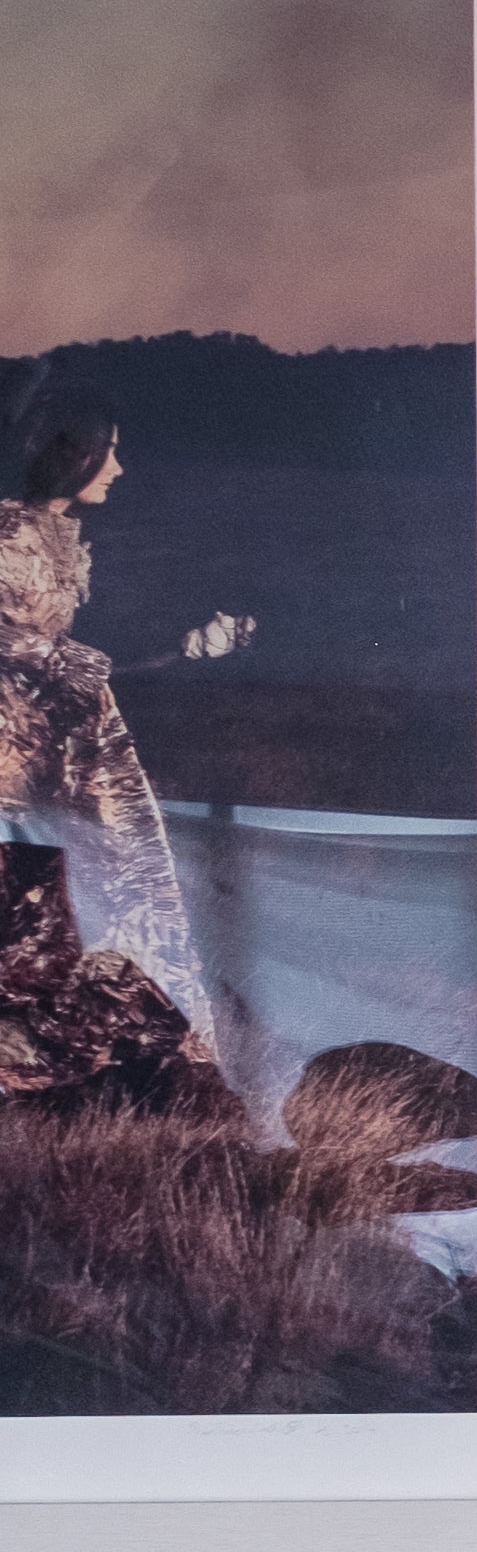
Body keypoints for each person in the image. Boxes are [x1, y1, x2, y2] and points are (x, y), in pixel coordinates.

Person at [0, 391, 217, 1064]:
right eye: (109, 450)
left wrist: (188, 645)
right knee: (27, 900)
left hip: (55, 749)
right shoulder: (6, 532)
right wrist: (50, 654)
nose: (119, 467)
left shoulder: (59, 535)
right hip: (11, 752)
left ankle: (107, 1051)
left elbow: (90, 656)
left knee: (106, 886)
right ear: (71, 455)